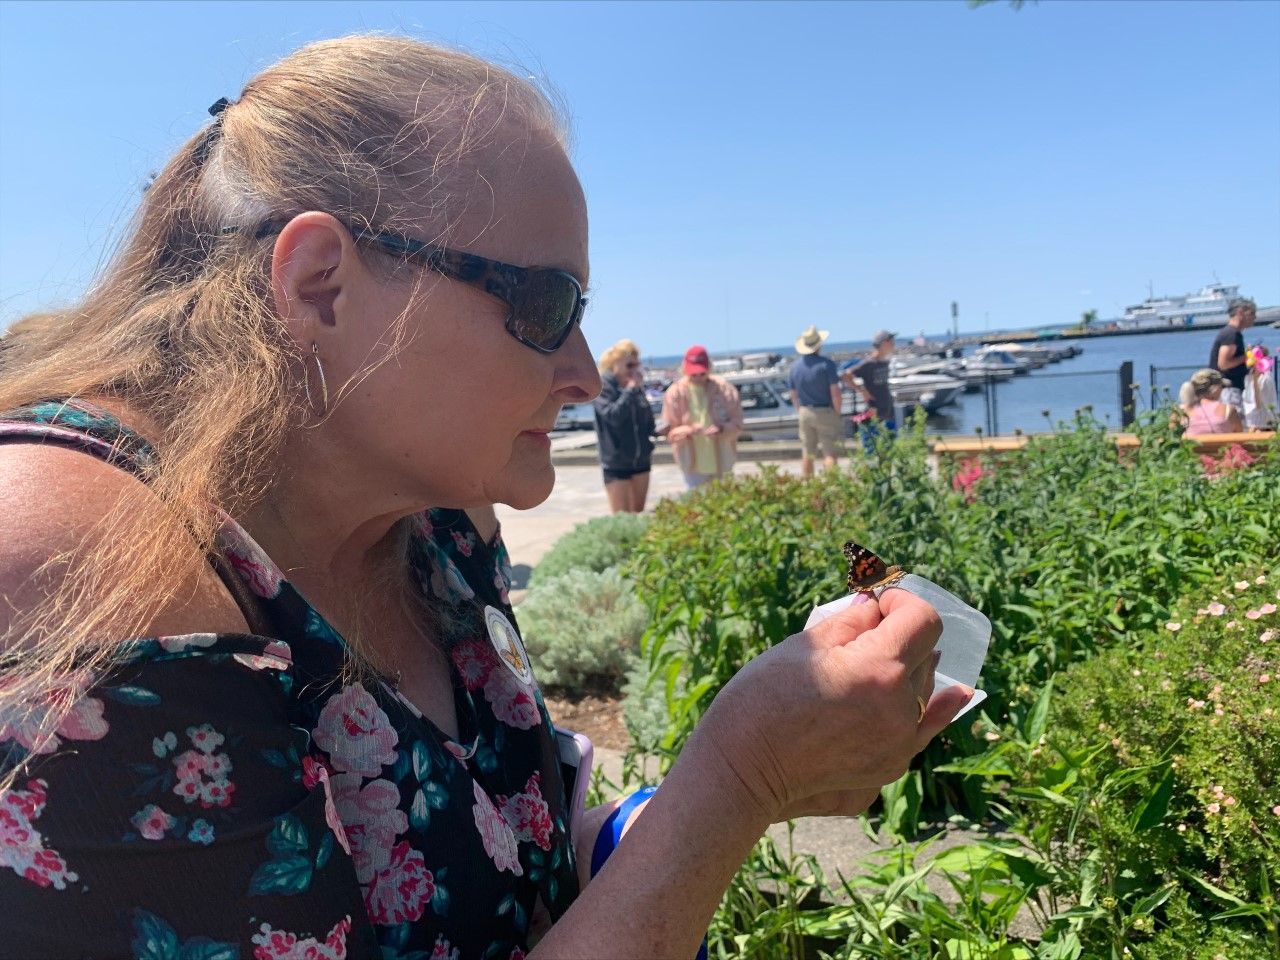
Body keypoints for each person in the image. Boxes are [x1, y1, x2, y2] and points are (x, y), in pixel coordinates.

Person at [0, 36, 972, 958]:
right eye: (547, 306)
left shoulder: (436, 517)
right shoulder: (81, 567)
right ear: (320, 284)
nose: (584, 373)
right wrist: (732, 785)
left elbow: (482, 880)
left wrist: (678, 807)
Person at [660, 345, 745, 489]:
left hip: (722, 461)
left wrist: (722, 428)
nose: (698, 377)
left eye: (702, 373)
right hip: (692, 464)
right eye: (694, 374)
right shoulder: (675, 392)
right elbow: (669, 431)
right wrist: (689, 430)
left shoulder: (724, 388)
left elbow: (738, 423)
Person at [592, 339, 655, 513]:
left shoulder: (635, 388)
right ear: (615, 363)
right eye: (629, 365)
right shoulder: (603, 386)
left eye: (637, 365)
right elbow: (613, 416)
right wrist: (630, 391)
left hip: (641, 459)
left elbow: (648, 422)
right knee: (623, 519)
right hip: (616, 462)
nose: (634, 370)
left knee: (638, 513)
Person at [787, 325, 843, 478]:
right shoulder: (826, 364)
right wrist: (837, 411)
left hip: (805, 411)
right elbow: (835, 392)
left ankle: (808, 486)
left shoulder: (794, 367)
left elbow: (793, 394)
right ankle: (833, 485)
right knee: (829, 452)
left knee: (807, 452)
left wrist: (800, 410)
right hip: (824, 410)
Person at [843, 330, 898, 452]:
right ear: (883, 343)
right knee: (873, 453)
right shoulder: (868, 363)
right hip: (874, 413)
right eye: (891, 341)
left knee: (891, 452)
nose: (894, 344)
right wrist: (861, 390)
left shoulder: (885, 362)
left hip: (888, 412)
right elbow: (846, 376)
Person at [1208, 298, 1256, 417]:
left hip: (1228, 388)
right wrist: (1246, 357)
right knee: (1233, 424)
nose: (1255, 318)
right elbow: (1223, 364)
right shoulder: (1231, 334)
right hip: (1228, 389)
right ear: (1240, 313)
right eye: (1252, 314)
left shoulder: (1232, 333)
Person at [1179, 368, 1244, 436]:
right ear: (1215, 389)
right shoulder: (1228, 410)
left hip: (1189, 446)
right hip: (1221, 446)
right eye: (1221, 387)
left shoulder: (1180, 411)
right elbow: (1240, 438)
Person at [1243, 344, 1278, 430]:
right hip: (1250, 423)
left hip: (1263, 425)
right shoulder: (1248, 377)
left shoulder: (1266, 378)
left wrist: (1255, 381)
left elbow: (1259, 404)